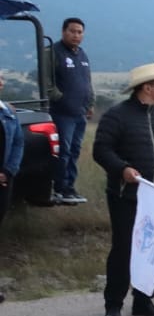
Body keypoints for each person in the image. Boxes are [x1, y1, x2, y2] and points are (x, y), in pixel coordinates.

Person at [92, 62, 154, 316]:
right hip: (126, 194)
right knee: (124, 249)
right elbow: (101, 150)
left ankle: (143, 300)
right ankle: (113, 305)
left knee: (151, 248)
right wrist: (122, 168)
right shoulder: (117, 115)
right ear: (147, 87)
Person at [49, 17, 93, 204]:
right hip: (62, 113)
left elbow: (87, 82)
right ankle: (59, 188)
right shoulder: (53, 52)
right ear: (63, 32)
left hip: (80, 113)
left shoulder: (82, 54)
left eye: (79, 32)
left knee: (75, 151)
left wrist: (90, 103)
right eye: (72, 31)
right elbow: (46, 82)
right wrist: (61, 99)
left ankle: (70, 187)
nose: (76, 35)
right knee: (64, 151)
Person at [0, 72, 24, 240]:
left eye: (0, 79)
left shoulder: (8, 112)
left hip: (4, 177)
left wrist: (8, 171)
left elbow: (18, 143)